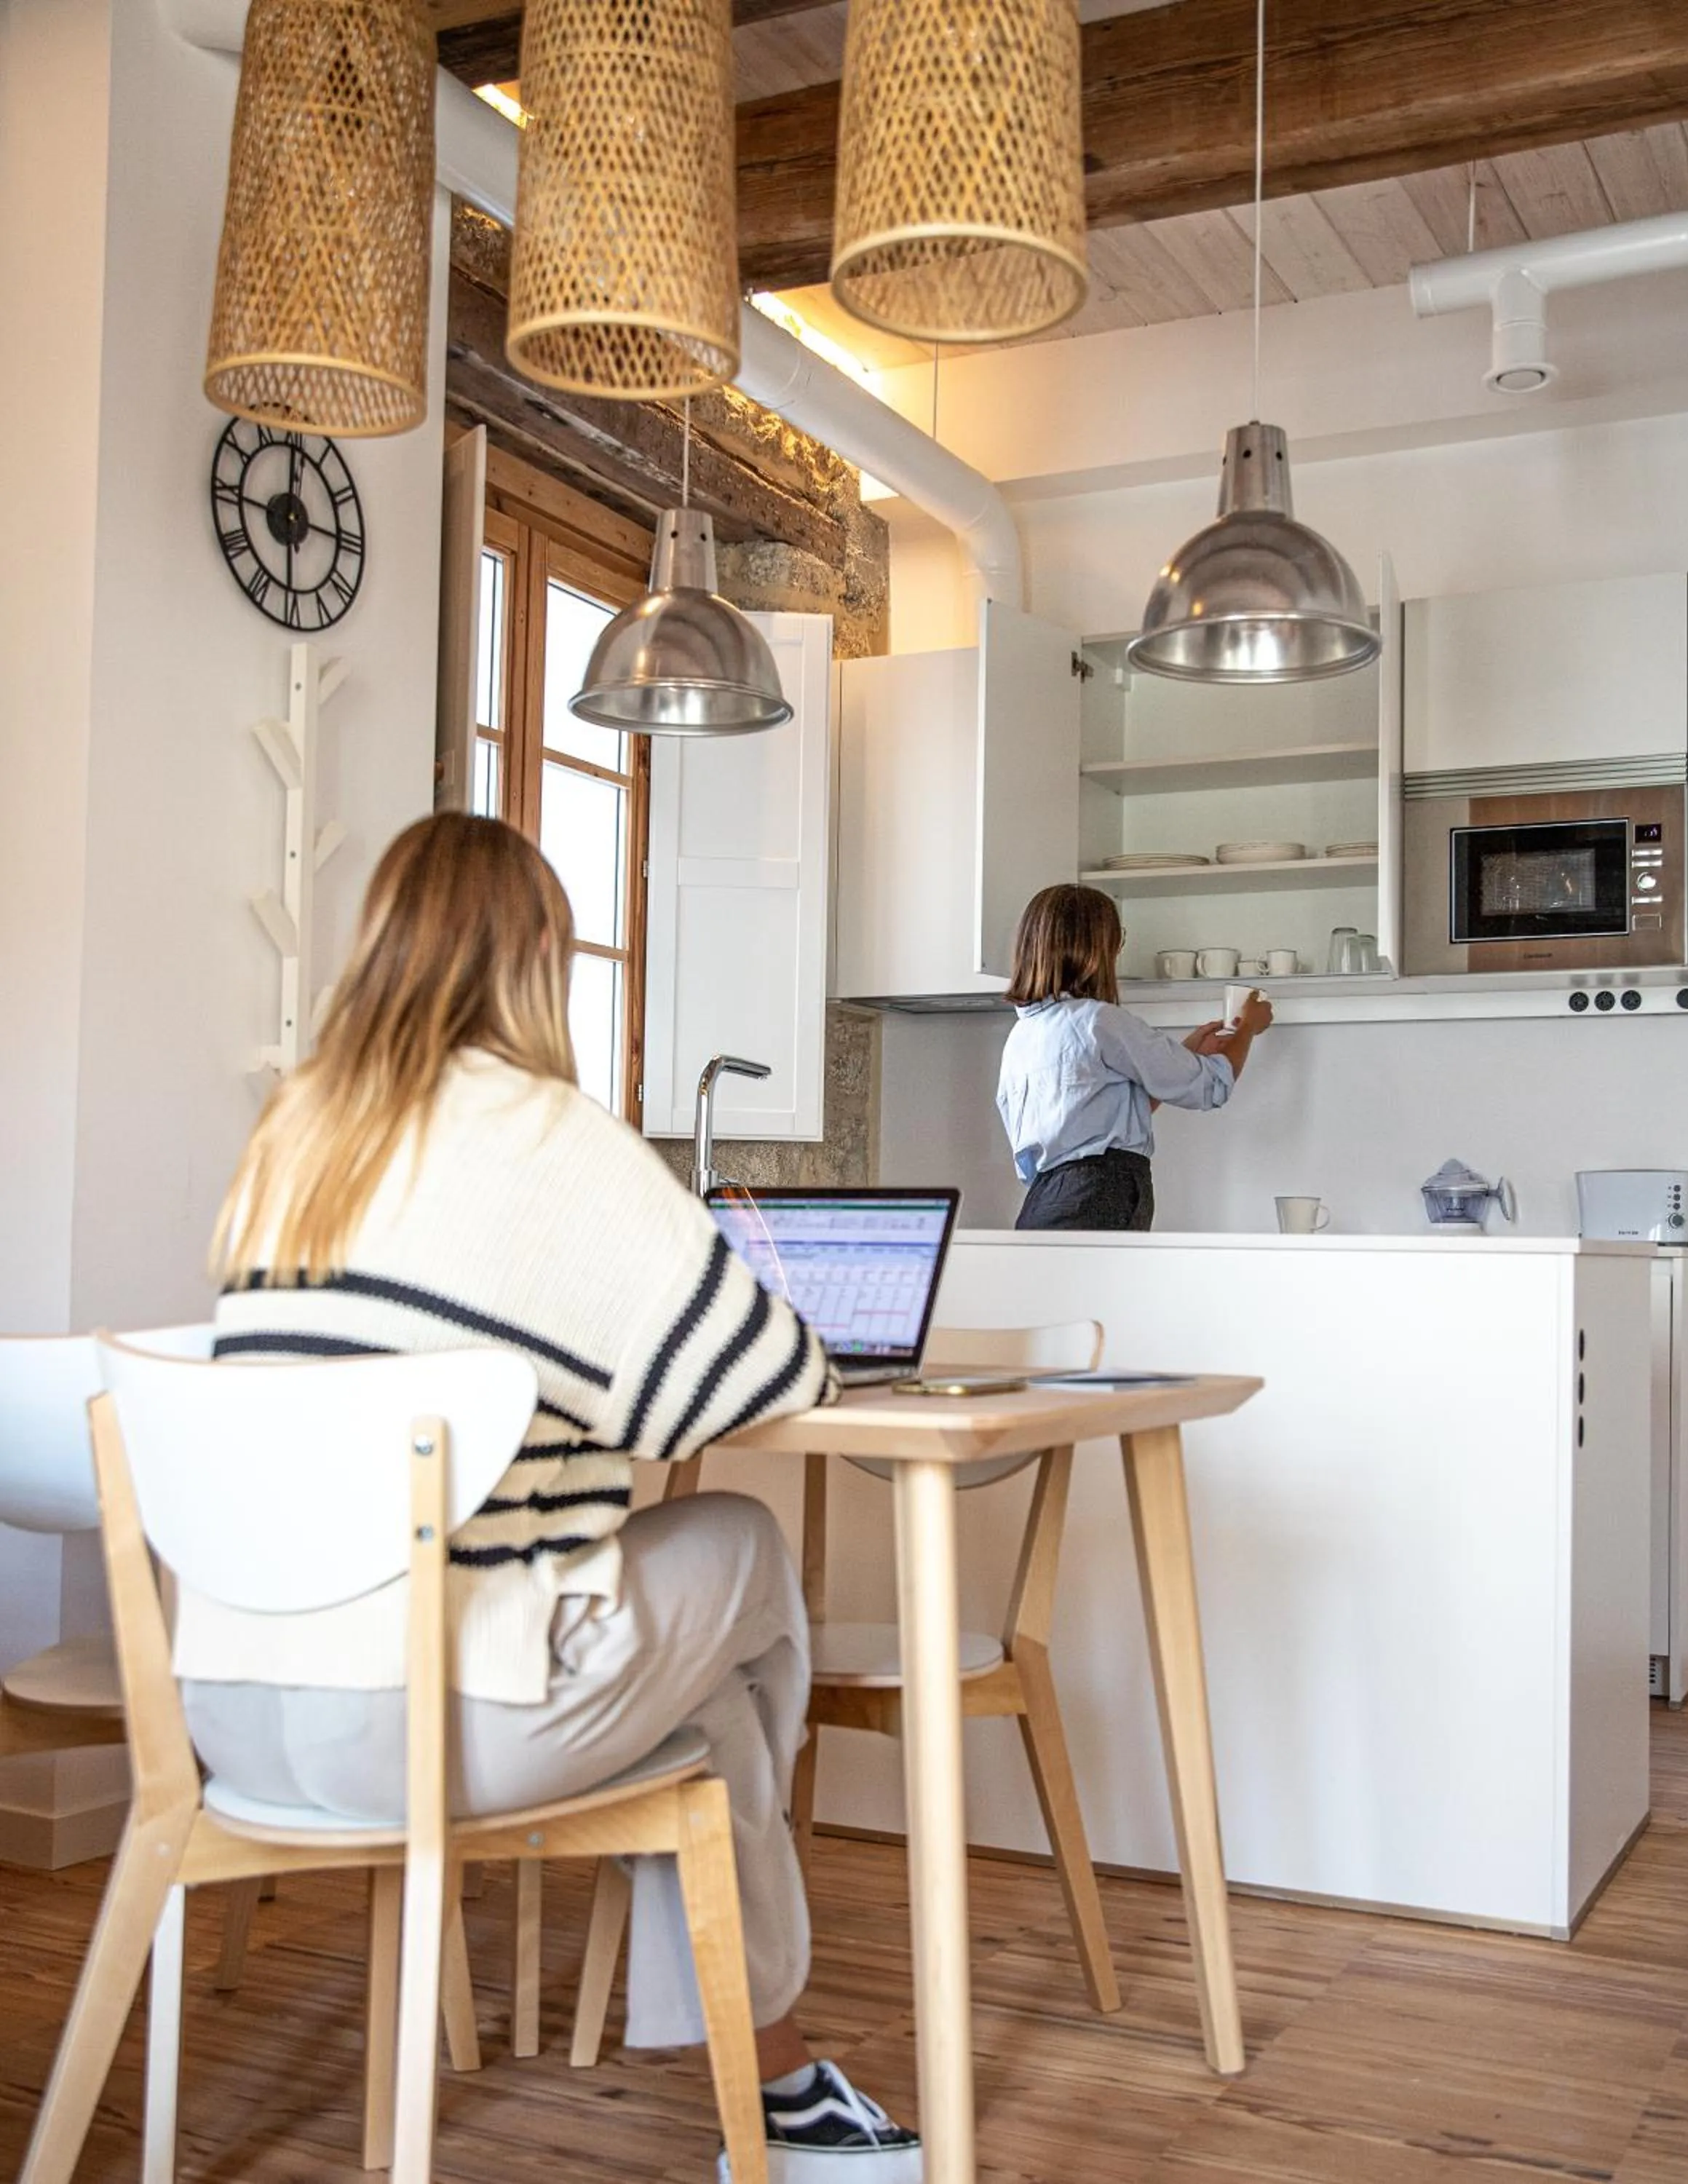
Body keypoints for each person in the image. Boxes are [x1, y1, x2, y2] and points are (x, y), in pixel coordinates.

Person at [183, 811, 920, 2184]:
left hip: (230, 1718)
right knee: (738, 1550)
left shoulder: (293, 1138)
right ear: (537, 954)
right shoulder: (548, 1138)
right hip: (426, 1731)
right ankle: (772, 2086)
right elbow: (766, 1377)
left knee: (703, 1703)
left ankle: (774, 2073)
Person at [996, 883, 1272, 1233]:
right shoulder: (1099, 1020)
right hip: (1100, 1194)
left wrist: (1183, 1055)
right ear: (1096, 948)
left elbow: (1102, 1114)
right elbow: (1211, 1085)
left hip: (1042, 1200)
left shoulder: (1022, 1036)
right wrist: (1248, 1026)